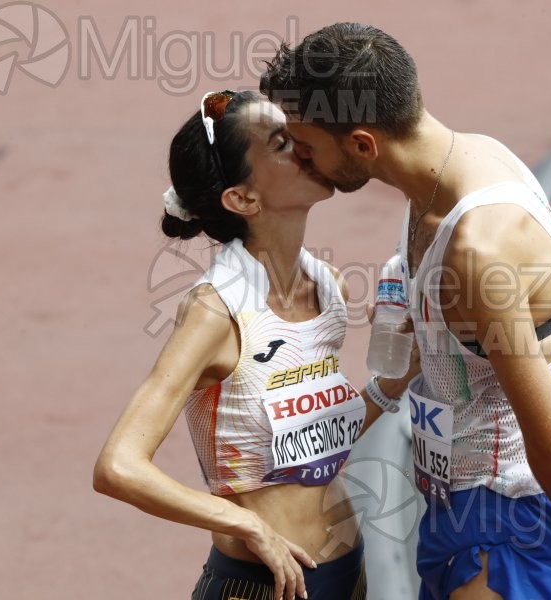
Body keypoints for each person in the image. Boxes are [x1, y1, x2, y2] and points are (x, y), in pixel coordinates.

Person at [260, 23, 551, 600]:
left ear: (364, 144)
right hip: (457, 510)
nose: (299, 156)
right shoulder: (453, 167)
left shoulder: (478, 249)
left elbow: (550, 441)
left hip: (508, 530)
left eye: (307, 144)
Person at [92, 89, 418, 600]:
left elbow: (313, 447)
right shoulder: (214, 312)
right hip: (261, 586)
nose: (306, 147)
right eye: (282, 143)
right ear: (243, 199)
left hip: (347, 576)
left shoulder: (329, 286)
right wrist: (244, 523)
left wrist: (391, 385)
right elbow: (118, 467)